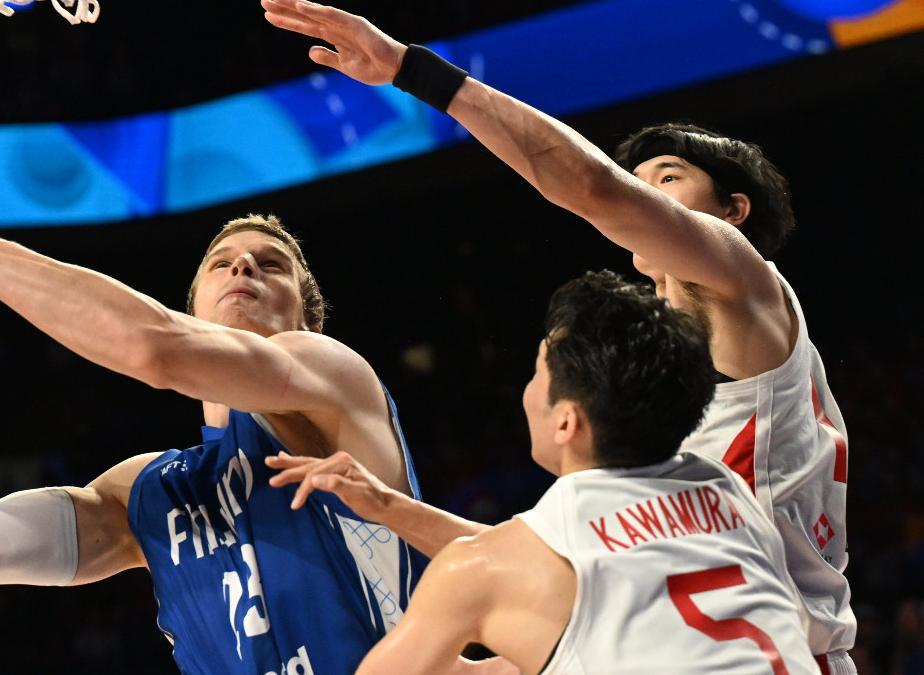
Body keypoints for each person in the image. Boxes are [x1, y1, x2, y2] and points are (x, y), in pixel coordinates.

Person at [262, 0, 854, 672]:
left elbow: (593, 189)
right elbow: (545, 561)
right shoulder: (666, 415)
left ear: (733, 212)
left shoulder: (746, 288)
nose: (647, 197)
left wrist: (413, 71)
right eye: (640, 181)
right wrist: (390, 509)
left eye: (668, 178)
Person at [0, 138, 428, 675]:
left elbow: (153, 349)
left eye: (270, 264)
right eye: (222, 263)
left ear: (309, 321)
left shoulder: (336, 385)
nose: (243, 267)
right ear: (192, 308)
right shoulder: (145, 493)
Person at [270, 270, 819, 675]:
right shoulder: (728, 493)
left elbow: (522, 566)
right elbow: (574, 559)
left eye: (536, 372)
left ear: (566, 422)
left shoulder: (480, 572)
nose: (526, 392)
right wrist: (392, 509)